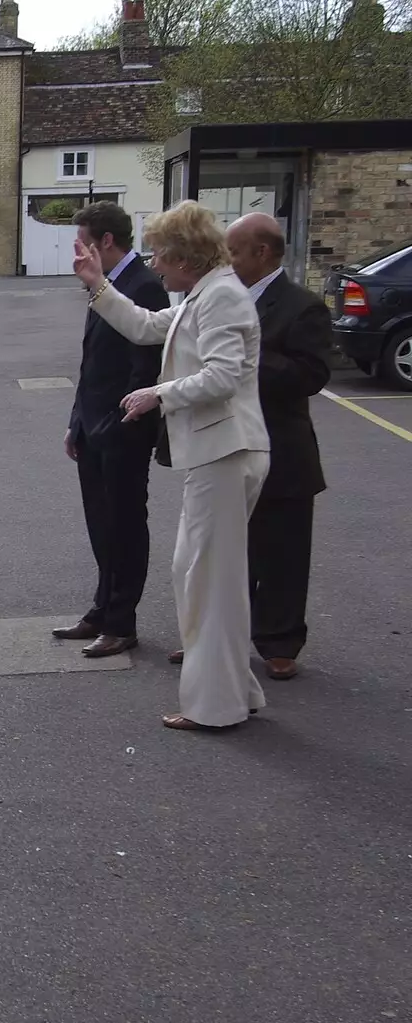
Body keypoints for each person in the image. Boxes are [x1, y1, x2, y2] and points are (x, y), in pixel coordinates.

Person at [73, 200, 270, 731]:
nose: (154, 265)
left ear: (186, 256)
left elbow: (223, 376)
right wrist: (98, 285)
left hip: (228, 452)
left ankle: (216, 707)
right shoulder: (203, 294)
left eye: (160, 255)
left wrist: (157, 392)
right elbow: (143, 326)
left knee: (207, 580)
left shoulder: (221, 296)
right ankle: (237, 692)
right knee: (202, 575)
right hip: (215, 454)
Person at [163, 212, 327, 681]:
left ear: (263, 253)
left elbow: (311, 374)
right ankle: (213, 641)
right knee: (223, 558)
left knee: (282, 553)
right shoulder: (216, 296)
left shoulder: (302, 306)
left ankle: (280, 642)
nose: (227, 258)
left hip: (283, 446)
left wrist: (244, 355)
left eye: (234, 250)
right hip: (224, 444)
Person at [55, 202, 171, 659]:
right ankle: (102, 610)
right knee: (101, 527)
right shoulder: (104, 283)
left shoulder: (143, 286)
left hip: (123, 432)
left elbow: (143, 370)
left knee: (124, 527)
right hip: (92, 430)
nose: (77, 254)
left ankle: (123, 623)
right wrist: (76, 423)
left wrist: (111, 427)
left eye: (82, 243)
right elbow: (94, 365)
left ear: (106, 241)